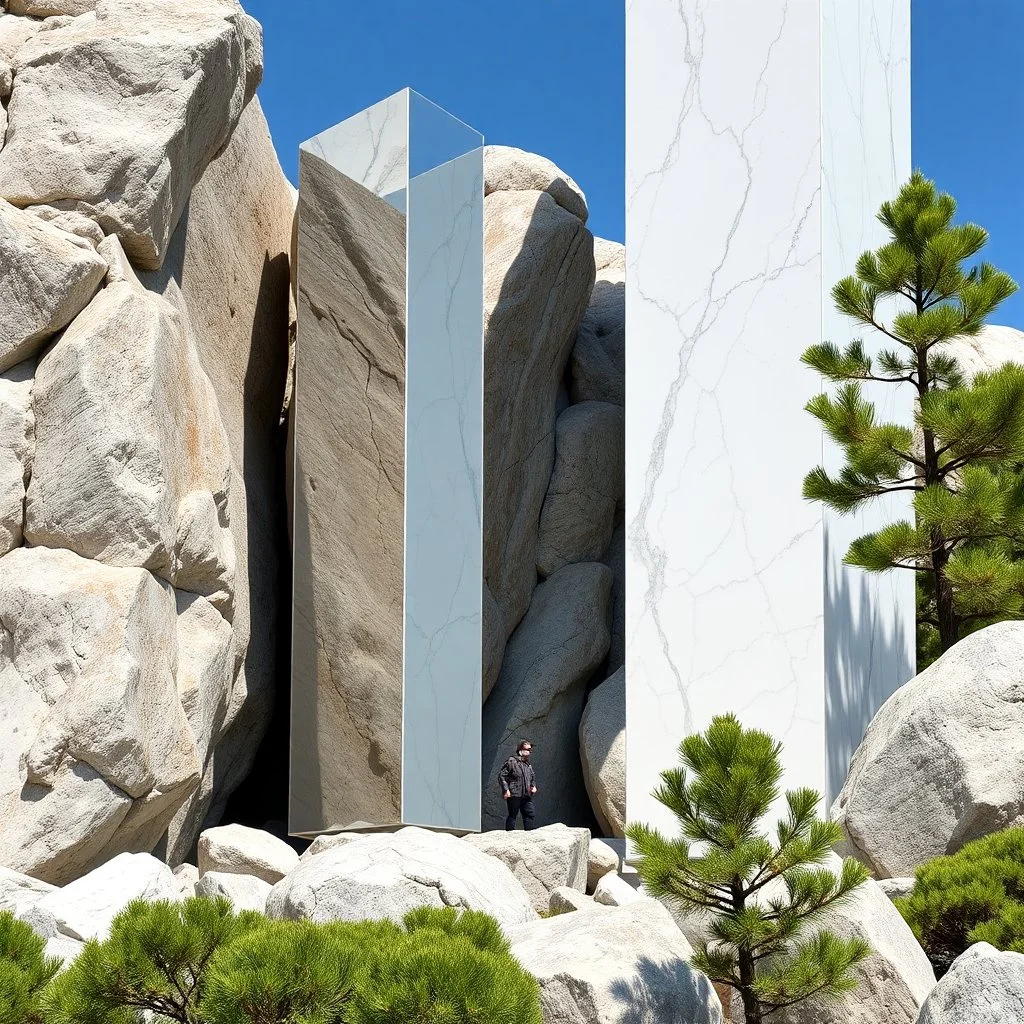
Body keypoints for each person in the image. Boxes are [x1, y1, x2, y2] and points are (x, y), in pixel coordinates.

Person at [499, 739, 538, 831]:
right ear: (520, 749)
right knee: (513, 815)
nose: (529, 752)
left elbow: (532, 776)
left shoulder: (527, 764)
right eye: (527, 749)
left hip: (526, 794)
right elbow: (502, 776)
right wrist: (506, 790)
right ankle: (510, 834)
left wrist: (533, 786)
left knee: (530, 813)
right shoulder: (511, 761)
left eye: (530, 750)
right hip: (514, 794)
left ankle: (529, 833)